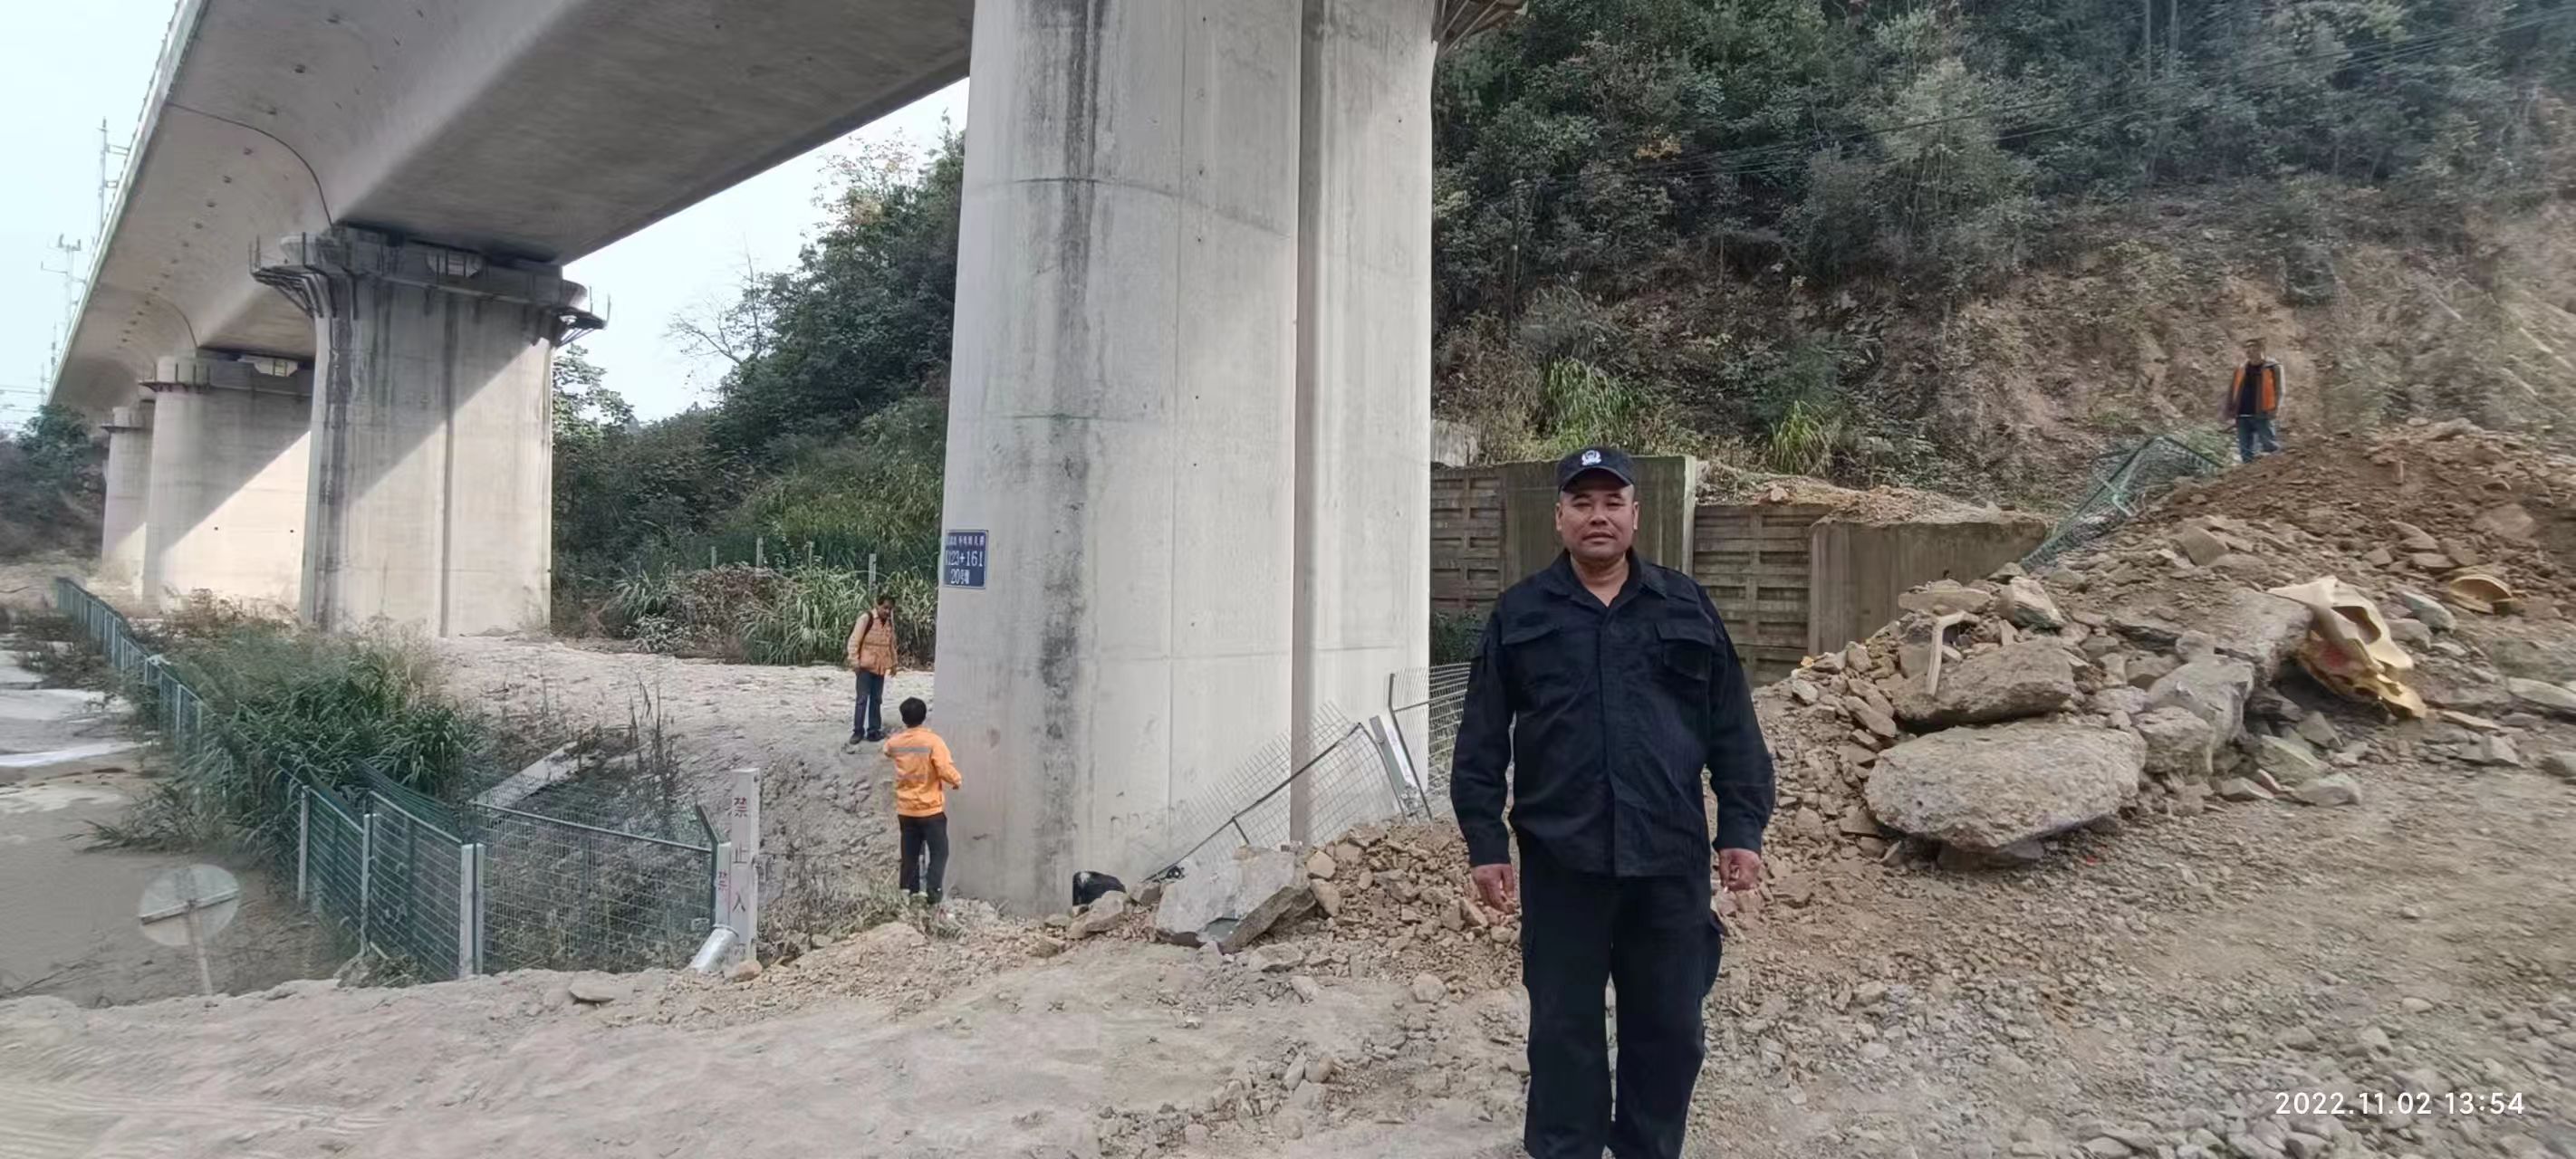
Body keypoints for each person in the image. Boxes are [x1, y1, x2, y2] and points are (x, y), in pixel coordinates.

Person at [1450, 445, 1777, 1159]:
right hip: (1562, 862)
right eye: (1582, 502)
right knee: (1562, 1032)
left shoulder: (1686, 605)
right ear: (1558, 517)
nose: (1597, 516)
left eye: (1611, 502)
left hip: (1668, 862)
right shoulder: (1520, 613)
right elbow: (1480, 740)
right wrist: (1484, 843)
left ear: (1635, 514)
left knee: (1671, 1032)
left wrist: (1742, 826)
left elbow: (1732, 726)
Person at [884, 697, 960, 903]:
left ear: (903, 719)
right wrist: (956, 780)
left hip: (906, 810)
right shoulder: (933, 741)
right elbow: (944, 768)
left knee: (910, 854)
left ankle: (908, 893)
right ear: (924, 716)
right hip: (930, 810)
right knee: (939, 852)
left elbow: (887, 751)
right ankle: (933, 893)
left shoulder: (896, 742)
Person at [846, 595, 899, 744]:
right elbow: (854, 640)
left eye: (890, 609)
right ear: (878, 605)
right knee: (862, 700)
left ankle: (873, 731)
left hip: (880, 667)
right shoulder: (866, 618)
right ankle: (858, 732)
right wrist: (854, 662)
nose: (887, 611)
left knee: (876, 700)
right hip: (865, 667)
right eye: (885, 608)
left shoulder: (889, 622)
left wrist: (894, 663)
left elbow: (891, 644)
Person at [2224, 336, 2285, 464]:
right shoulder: (2241, 369)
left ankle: (2275, 470)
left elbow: (2280, 390)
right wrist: (2229, 412)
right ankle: (2248, 474)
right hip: (2242, 414)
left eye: (2253, 348)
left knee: (2270, 447)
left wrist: (2276, 409)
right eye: (2247, 349)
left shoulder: (2273, 367)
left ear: (2261, 349)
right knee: (2245, 451)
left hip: (2263, 413)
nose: (2249, 352)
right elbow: (2232, 391)